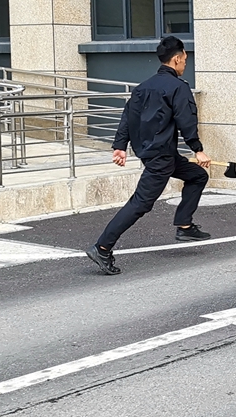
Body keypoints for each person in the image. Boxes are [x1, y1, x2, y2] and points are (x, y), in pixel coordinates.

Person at [86, 36, 212, 275]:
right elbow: (186, 121)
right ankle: (102, 247)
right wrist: (197, 149)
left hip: (159, 154)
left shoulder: (143, 87)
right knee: (140, 204)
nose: (185, 64)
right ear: (176, 59)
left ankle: (184, 225)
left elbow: (127, 117)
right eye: (185, 60)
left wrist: (120, 145)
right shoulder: (178, 87)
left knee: (197, 176)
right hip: (160, 157)